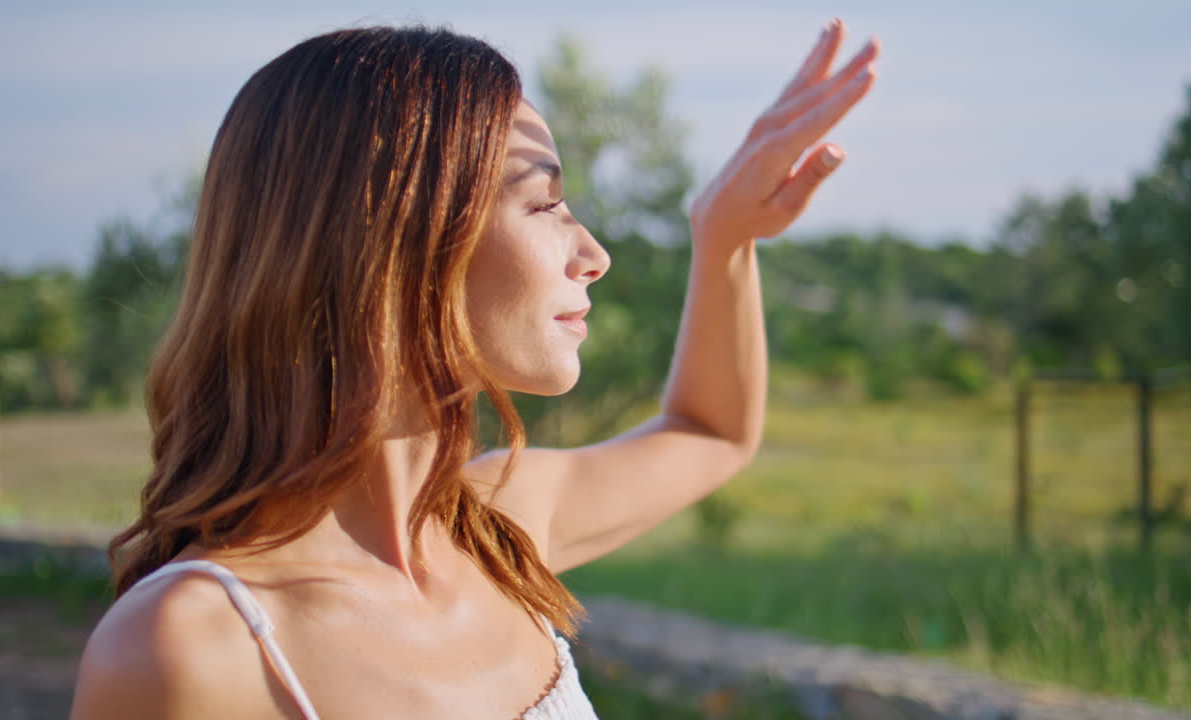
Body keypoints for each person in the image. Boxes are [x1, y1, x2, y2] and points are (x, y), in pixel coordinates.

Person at [70, 19, 878, 720]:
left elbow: (711, 432)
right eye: (545, 203)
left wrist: (724, 235)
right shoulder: (190, 646)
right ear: (395, 242)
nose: (593, 254)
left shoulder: (495, 531)